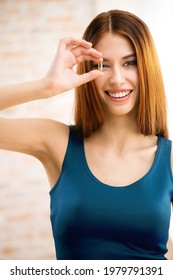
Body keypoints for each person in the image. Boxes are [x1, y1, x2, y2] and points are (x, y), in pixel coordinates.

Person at [0, 9, 173, 260]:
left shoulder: (168, 158)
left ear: (147, 67)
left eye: (129, 62)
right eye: (100, 65)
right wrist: (45, 86)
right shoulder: (56, 142)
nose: (116, 79)